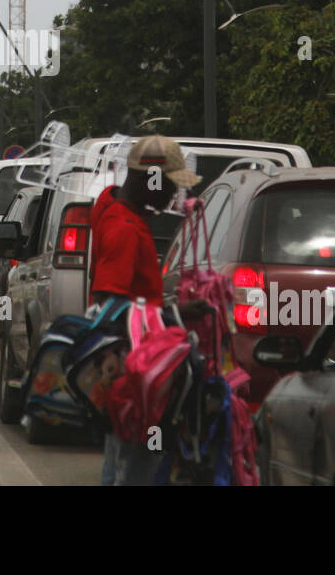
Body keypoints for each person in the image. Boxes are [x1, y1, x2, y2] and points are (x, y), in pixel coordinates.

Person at [89, 134, 202, 486]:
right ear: (148, 180)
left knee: (119, 461)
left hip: (131, 370)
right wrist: (173, 318)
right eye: (169, 185)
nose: (173, 195)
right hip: (137, 375)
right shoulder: (123, 227)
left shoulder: (119, 212)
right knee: (140, 464)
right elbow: (112, 305)